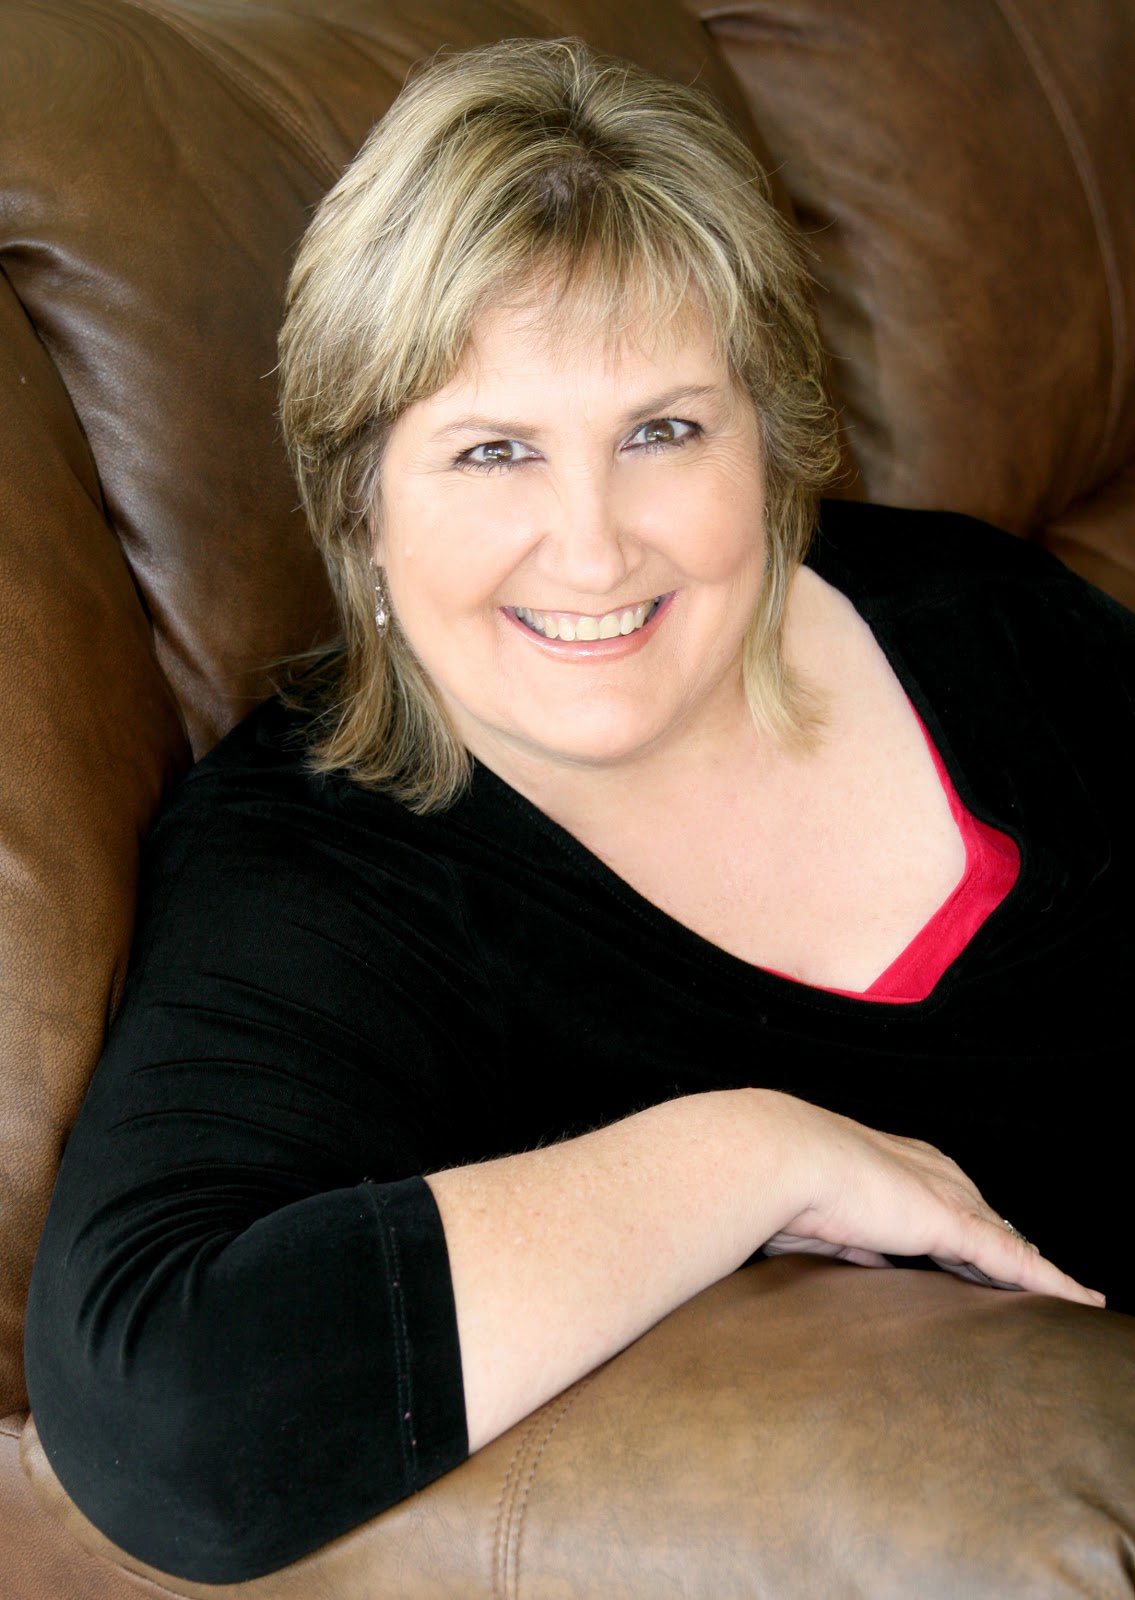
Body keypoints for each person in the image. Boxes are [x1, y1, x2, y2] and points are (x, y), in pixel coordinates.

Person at [25, 36, 1131, 1586]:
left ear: (766, 443)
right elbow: (163, 1407)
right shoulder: (323, 874)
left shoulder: (969, 614)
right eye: (494, 452)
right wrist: (745, 1154)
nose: (595, 548)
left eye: (664, 431)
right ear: (359, 501)